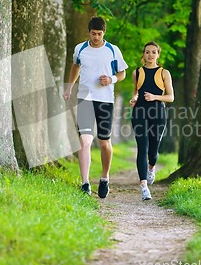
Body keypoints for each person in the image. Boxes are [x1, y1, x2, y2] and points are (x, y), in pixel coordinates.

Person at [63, 16, 128, 198]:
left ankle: (105, 177)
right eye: (93, 34)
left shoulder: (112, 51)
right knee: (84, 141)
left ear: (104, 33)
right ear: (89, 32)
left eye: (99, 34)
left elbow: (122, 73)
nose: (96, 37)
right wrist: (69, 87)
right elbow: (75, 66)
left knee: (104, 143)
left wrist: (111, 79)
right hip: (85, 99)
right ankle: (85, 184)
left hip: (105, 100)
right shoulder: (80, 49)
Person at [129, 42, 174, 200]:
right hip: (139, 112)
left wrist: (155, 97)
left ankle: (151, 167)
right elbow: (136, 91)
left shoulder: (164, 73)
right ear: (143, 54)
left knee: (153, 152)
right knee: (142, 147)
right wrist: (134, 98)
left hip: (158, 114)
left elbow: (170, 97)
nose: (150, 55)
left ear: (158, 54)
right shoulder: (137, 72)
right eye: (147, 52)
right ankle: (144, 187)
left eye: (153, 52)